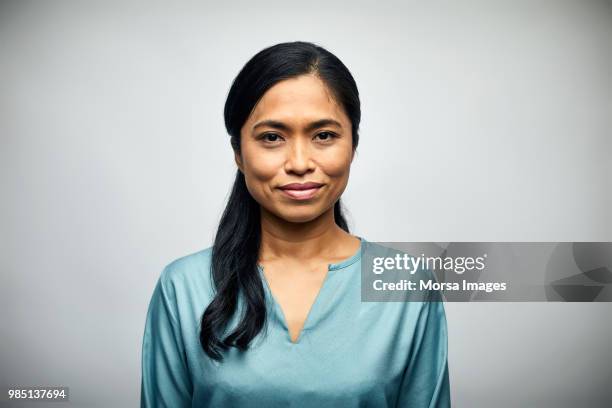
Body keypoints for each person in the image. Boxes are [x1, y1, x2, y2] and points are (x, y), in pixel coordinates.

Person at [140, 41, 450, 407]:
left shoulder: (407, 285)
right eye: (272, 137)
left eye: (324, 135)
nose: (300, 162)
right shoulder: (183, 287)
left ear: (353, 144)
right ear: (238, 152)